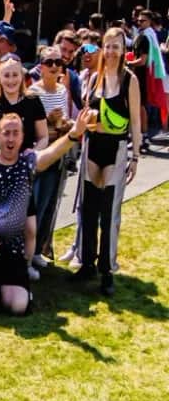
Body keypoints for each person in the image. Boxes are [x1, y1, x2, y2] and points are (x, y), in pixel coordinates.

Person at [0, 108, 91, 313]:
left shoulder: (27, 163)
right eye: (6, 133)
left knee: (17, 307)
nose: (11, 138)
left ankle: (0, 287)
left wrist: (73, 135)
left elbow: (51, 154)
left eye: (16, 133)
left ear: (22, 137)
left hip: (14, 251)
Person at [74, 26, 143, 293]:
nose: (112, 51)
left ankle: (107, 270)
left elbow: (136, 121)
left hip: (116, 148)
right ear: (102, 48)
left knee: (109, 213)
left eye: (117, 46)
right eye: (108, 45)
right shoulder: (93, 78)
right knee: (87, 208)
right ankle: (87, 263)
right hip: (93, 146)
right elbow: (86, 112)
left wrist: (135, 157)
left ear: (123, 50)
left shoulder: (129, 80)